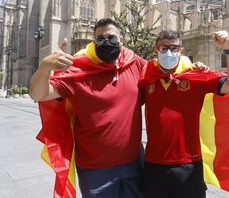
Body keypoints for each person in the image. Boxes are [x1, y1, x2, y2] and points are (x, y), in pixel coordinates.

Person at [29, 18, 145, 198]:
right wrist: (45, 67)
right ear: (93, 42)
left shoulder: (134, 63)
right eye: (100, 39)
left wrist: (188, 65)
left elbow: (162, 77)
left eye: (111, 38)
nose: (106, 42)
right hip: (96, 171)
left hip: (134, 164)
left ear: (121, 40)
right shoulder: (78, 70)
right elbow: (38, 94)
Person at [139, 30, 229, 198]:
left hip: (188, 164)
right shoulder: (146, 76)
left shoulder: (196, 76)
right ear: (155, 50)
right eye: (164, 48)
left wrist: (228, 49)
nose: (169, 52)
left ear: (181, 51)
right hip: (153, 165)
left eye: (174, 48)